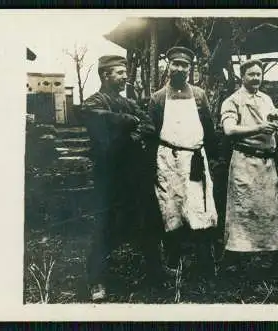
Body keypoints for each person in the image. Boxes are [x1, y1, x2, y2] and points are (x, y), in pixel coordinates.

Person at [81, 55, 163, 302]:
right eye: (119, 72)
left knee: (148, 220)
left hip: (135, 174)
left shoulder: (129, 102)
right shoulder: (93, 102)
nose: (125, 76)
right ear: (105, 75)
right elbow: (99, 119)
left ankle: (155, 271)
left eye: (124, 72)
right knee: (105, 227)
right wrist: (130, 122)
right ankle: (97, 280)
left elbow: (149, 126)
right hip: (109, 178)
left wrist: (132, 133)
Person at [148, 46, 219, 279]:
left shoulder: (199, 95)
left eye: (184, 64)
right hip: (168, 159)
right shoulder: (157, 98)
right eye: (175, 63)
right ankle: (174, 257)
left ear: (190, 68)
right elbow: (152, 131)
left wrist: (214, 155)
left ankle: (205, 261)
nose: (179, 68)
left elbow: (208, 126)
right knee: (171, 205)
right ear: (168, 66)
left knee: (199, 205)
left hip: (195, 158)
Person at [220, 59, 278, 281]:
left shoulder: (266, 99)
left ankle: (277, 258)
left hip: (268, 163)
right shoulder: (232, 101)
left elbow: (277, 129)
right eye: (251, 74)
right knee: (242, 211)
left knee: (271, 211)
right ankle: (235, 261)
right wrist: (258, 128)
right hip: (244, 161)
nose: (256, 78)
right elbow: (229, 130)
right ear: (242, 76)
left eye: (259, 74)